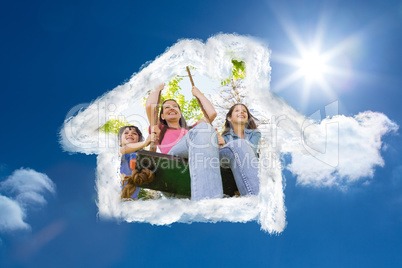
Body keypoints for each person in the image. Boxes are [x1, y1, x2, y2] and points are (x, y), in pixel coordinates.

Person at [145, 84, 223, 201]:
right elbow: (150, 107)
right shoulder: (159, 129)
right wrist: (157, 89)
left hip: (196, 165)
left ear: (180, 113)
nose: (172, 108)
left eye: (175, 106)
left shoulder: (193, 131)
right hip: (173, 163)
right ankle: (208, 204)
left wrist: (198, 94)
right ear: (162, 116)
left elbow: (211, 114)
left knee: (205, 129)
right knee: (203, 129)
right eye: (167, 107)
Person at [217, 104, 261, 196]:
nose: (241, 112)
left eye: (244, 111)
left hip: (254, 171)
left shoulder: (255, 133)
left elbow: (251, 151)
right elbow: (224, 161)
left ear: (247, 118)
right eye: (237, 110)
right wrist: (222, 146)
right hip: (232, 174)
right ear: (229, 118)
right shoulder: (224, 138)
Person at [119, 125, 152, 199]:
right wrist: (145, 143)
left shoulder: (140, 156)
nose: (130, 134)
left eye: (134, 133)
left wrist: (153, 144)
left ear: (138, 141)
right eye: (126, 133)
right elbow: (120, 151)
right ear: (120, 142)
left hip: (130, 199)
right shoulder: (118, 151)